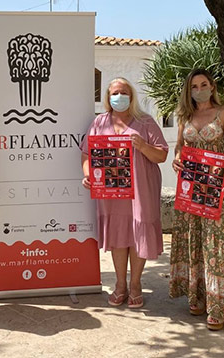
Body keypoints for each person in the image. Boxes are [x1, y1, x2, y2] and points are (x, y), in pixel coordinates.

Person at [170, 68, 224, 330]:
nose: (199, 90)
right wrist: (177, 159)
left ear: (212, 87)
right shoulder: (184, 116)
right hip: (191, 187)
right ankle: (198, 296)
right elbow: (179, 147)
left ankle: (219, 304)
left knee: (217, 243)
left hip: (216, 185)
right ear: (188, 91)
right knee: (195, 240)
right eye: (194, 86)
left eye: (203, 84)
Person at [81, 77, 168, 309]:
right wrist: (89, 175)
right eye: (115, 93)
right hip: (112, 192)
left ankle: (136, 284)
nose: (119, 96)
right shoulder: (99, 122)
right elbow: (87, 155)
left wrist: (142, 146)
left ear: (132, 96)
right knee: (119, 236)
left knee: (138, 234)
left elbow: (161, 155)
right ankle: (120, 285)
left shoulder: (146, 122)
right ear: (108, 98)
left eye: (124, 92)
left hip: (142, 189)